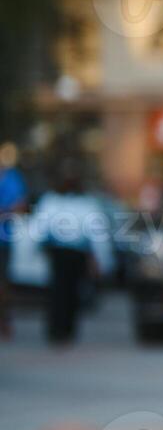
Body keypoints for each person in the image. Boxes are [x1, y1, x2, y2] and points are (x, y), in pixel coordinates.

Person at [33, 162, 107, 345]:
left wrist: (100, 258)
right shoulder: (52, 200)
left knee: (71, 292)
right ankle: (57, 329)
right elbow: (40, 226)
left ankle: (66, 330)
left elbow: (96, 232)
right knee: (58, 291)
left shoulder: (85, 203)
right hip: (59, 252)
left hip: (76, 253)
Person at [0, 143, 27, 339]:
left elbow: (21, 205)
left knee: (3, 285)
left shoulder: (12, 178)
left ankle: (4, 321)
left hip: (3, 241)